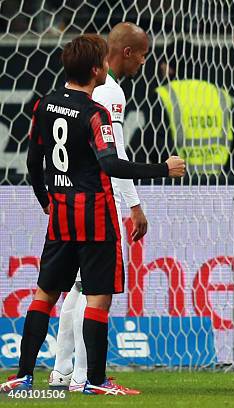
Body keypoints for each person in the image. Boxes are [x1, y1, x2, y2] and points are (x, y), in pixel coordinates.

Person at [0, 34, 185, 395]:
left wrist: (44, 201)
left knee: (44, 295)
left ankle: (23, 376)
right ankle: (96, 381)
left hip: (61, 215)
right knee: (98, 297)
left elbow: (33, 161)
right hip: (95, 215)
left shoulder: (45, 105)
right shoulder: (94, 113)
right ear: (97, 70)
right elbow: (111, 163)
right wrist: (163, 168)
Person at [48, 22, 150, 392]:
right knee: (95, 292)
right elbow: (116, 154)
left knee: (75, 289)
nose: (143, 62)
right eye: (142, 54)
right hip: (98, 205)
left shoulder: (70, 90)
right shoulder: (110, 92)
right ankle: (85, 379)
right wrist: (134, 206)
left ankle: (61, 372)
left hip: (68, 199)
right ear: (127, 52)